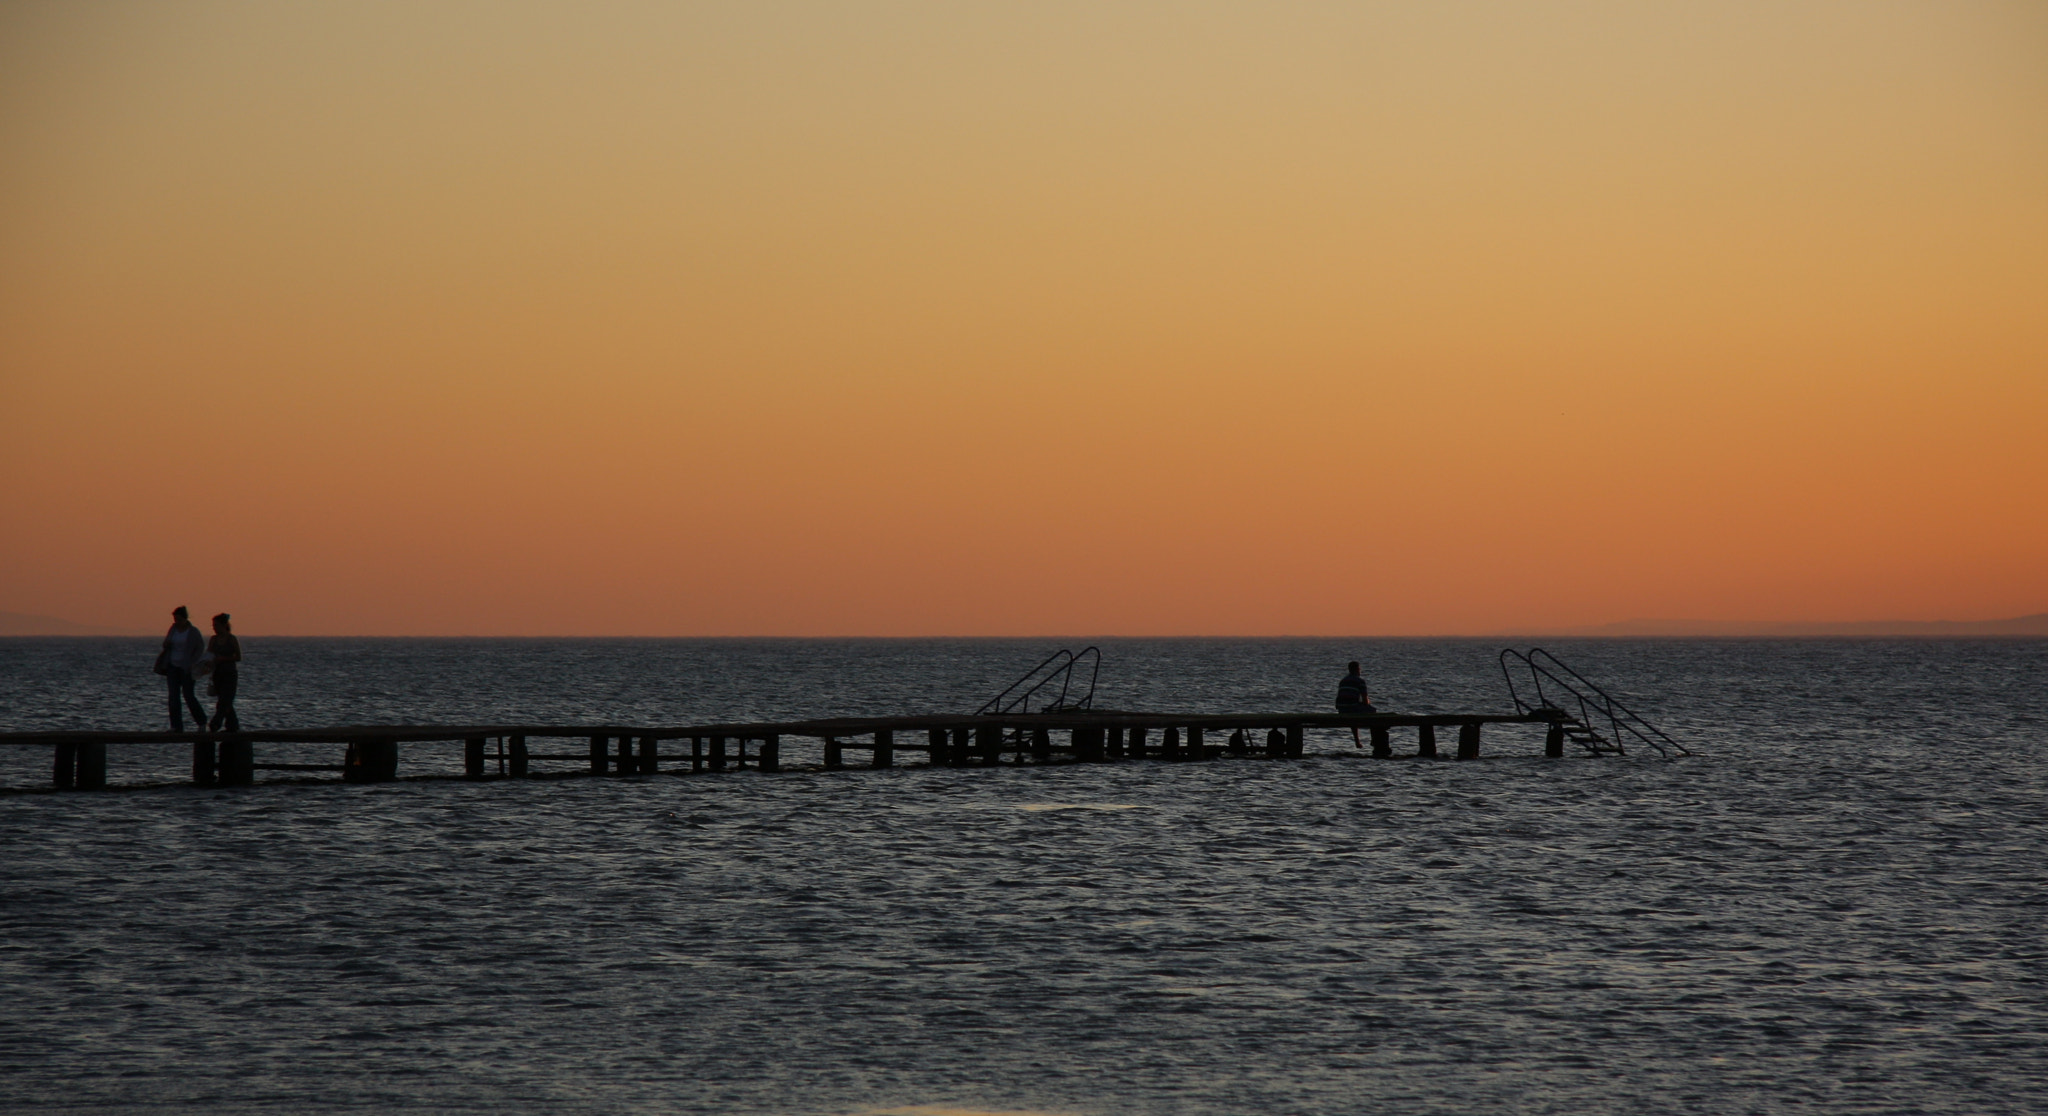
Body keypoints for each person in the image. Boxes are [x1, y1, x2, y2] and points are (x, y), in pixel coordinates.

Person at [157, 606, 208, 732]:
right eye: (175, 619)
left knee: (188, 696)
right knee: (173, 697)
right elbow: (165, 643)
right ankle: (176, 726)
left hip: (186, 668)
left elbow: (200, 647)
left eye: (179, 619)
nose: (177, 622)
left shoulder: (193, 631)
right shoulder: (173, 629)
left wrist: (193, 662)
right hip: (172, 666)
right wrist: (167, 645)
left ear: (185, 619)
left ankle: (201, 722)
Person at [206, 613, 242, 732]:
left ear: (223, 625)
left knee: (224, 701)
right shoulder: (213, 639)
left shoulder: (231, 639)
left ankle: (215, 723)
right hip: (218, 674)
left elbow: (238, 657)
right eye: (213, 625)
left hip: (230, 674)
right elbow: (209, 655)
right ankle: (233, 726)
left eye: (216, 625)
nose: (214, 628)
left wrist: (223, 659)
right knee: (224, 701)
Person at [1334, 660, 1376, 748]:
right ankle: (1374, 739)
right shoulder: (1360, 681)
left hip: (1342, 710)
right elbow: (1365, 700)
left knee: (1353, 717)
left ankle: (1357, 741)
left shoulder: (1343, 680)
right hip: (1352, 708)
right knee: (1373, 712)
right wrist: (1367, 704)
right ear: (1357, 669)